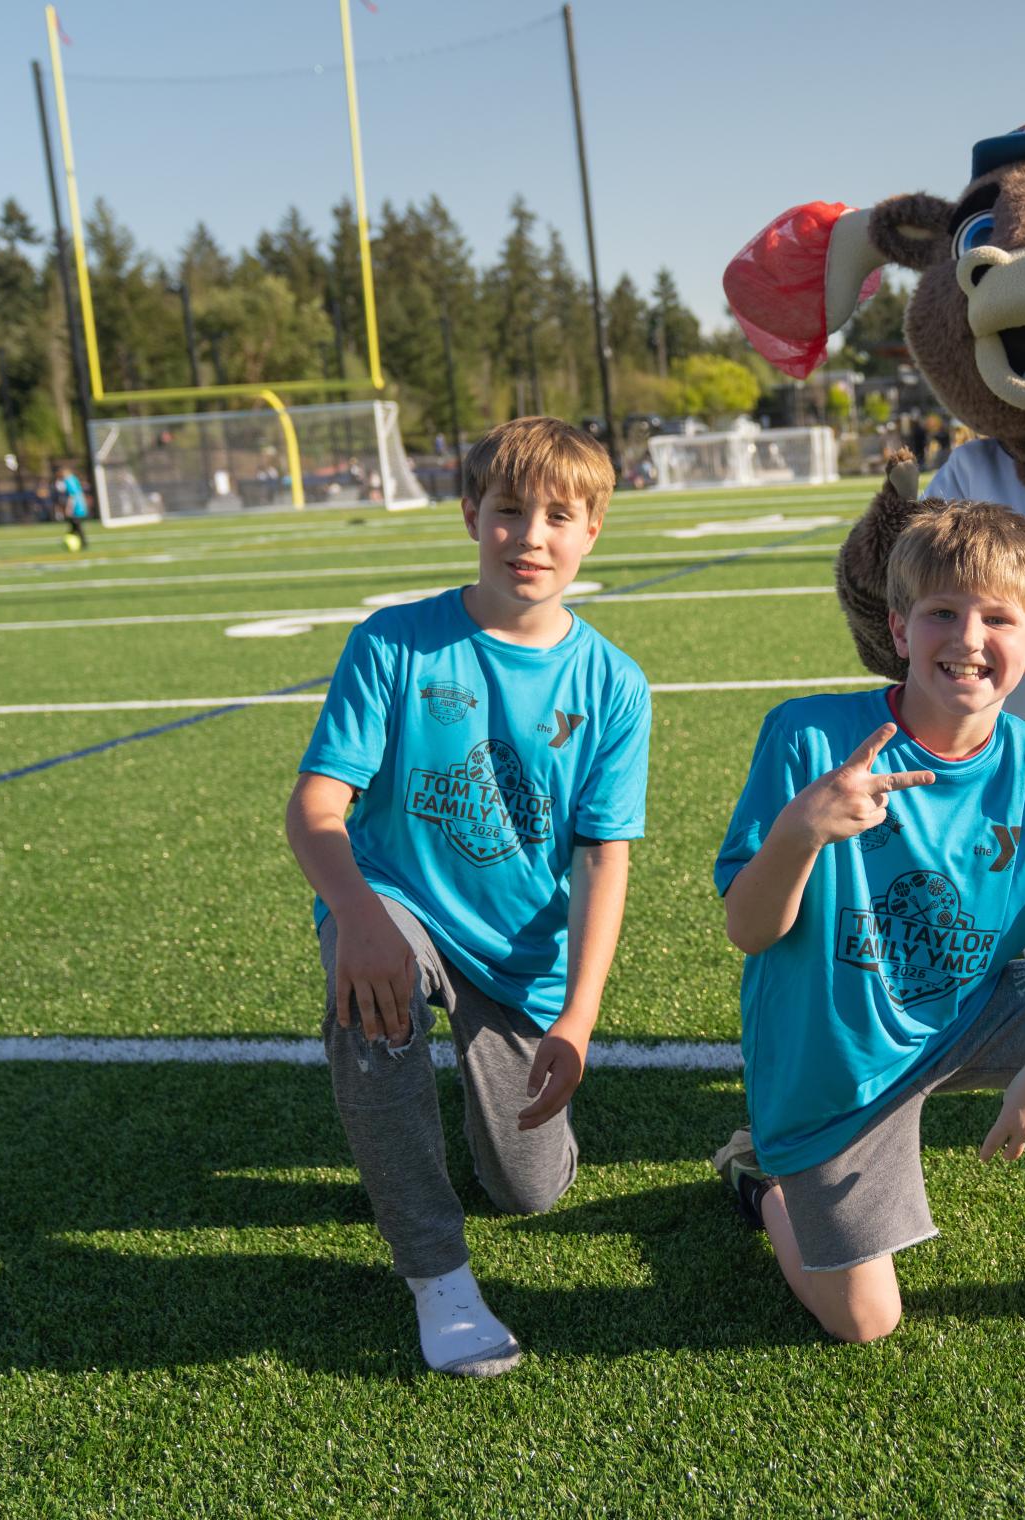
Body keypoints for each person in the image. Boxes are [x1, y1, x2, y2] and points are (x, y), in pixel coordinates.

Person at [710, 502, 1025, 1340]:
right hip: (834, 1060)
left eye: (998, 618)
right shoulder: (809, 738)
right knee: (866, 1323)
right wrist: (802, 829)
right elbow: (750, 930)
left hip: (965, 1017)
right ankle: (764, 1176)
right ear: (898, 627)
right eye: (942, 613)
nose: (968, 637)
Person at [284, 416, 651, 1376]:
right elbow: (315, 806)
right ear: (468, 516)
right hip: (397, 899)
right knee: (376, 990)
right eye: (507, 511)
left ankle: (504, 1125)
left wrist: (579, 1018)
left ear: (592, 531)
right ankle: (437, 1276)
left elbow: (603, 861)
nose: (530, 536)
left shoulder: (614, 683)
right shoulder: (395, 643)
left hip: (521, 955)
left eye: (557, 516)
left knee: (528, 1189)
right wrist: (358, 916)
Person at [56, 464, 91, 552]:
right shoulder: (74, 479)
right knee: (75, 526)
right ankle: (72, 541)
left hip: (76, 506)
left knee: (76, 525)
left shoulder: (69, 480)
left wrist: (69, 508)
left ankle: (83, 543)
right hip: (80, 504)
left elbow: (72, 495)